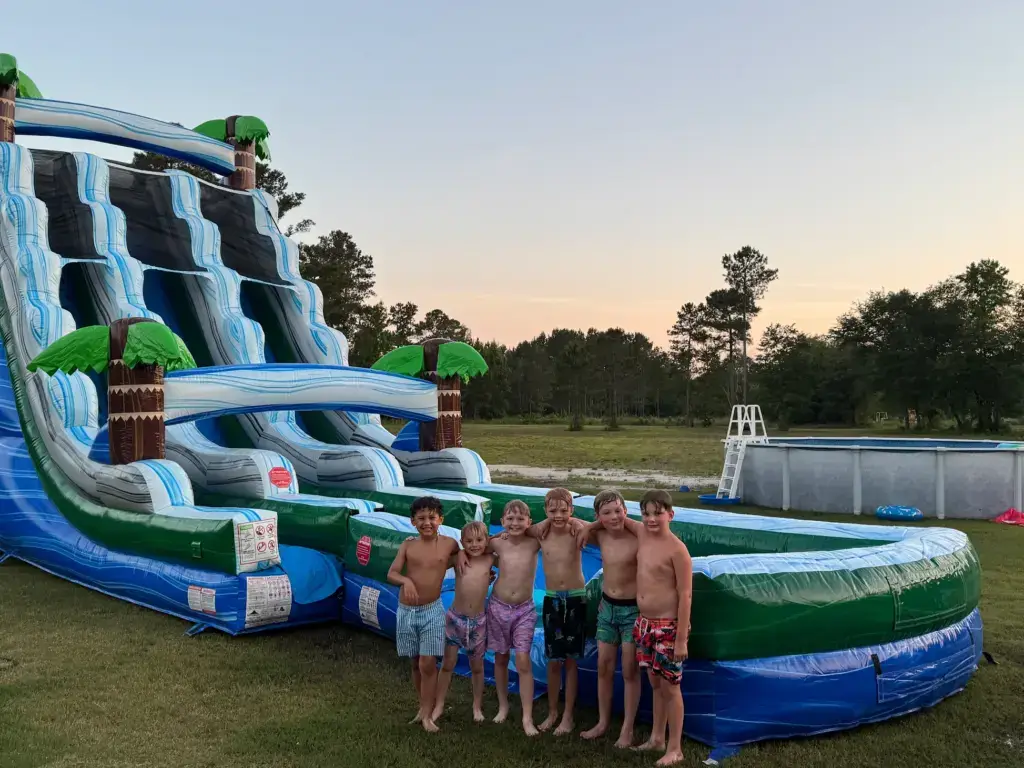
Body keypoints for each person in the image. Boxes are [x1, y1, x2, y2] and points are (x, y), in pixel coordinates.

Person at [585, 489, 692, 766]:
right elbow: (611, 519)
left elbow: (685, 595)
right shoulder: (642, 532)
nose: (651, 518)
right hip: (644, 623)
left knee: (670, 687)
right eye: (646, 513)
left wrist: (681, 638)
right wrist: (590, 526)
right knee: (655, 683)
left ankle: (675, 748)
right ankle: (657, 738)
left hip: (667, 626)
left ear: (671, 514)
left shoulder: (677, 550)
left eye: (658, 513)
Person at [386, 496, 461, 733]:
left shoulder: (450, 544)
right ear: (412, 522)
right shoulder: (408, 545)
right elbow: (392, 573)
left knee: (427, 662)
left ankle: (428, 715)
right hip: (407, 611)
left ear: (441, 519)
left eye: (432, 517)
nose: (427, 522)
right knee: (415, 662)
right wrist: (406, 580)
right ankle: (422, 706)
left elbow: (463, 558)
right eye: (421, 518)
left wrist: (482, 572)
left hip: (432, 610)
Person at [577, 488, 641, 748]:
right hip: (607, 609)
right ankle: (603, 722)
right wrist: (590, 526)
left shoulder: (637, 536)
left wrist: (593, 524)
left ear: (626, 511)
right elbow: (569, 522)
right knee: (603, 666)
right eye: (607, 513)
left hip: (632, 611)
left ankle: (627, 728)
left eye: (618, 511)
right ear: (598, 516)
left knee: (629, 669)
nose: (614, 517)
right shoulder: (600, 535)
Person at [529, 487, 588, 736]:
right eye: (552, 511)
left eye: (564, 510)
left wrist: (577, 521)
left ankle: (568, 716)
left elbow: (600, 527)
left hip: (575, 597)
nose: (558, 515)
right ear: (545, 510)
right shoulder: (541, 532)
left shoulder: (577, 530)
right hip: (553, 599)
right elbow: (519, 530)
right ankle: (553, 711)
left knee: (571, 660)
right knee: (554, 660)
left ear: (571, 510)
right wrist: (542, 523)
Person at [485, 499, 542, 735]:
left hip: (524, 610)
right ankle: (503, 705)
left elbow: (554, 531)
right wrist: (487, 569)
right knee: (500, 657)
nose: (515, 523)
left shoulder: (534, 542)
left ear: (529, 522)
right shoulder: (497, 543)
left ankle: (527, 717)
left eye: (520, 519)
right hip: (498, 606)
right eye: (510, 518)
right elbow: (476, 548)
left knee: (523, 660)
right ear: (502, 521)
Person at [432, 521, 494, 724]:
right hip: (455, 619)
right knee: (447, 664)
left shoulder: (490, 559)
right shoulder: (459, 558)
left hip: (478, 622)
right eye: (469, 541)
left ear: (487, 540)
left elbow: (510, 552)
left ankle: (477, 706)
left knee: (477, 667)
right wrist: (458, 552)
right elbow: (438, 559)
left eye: (479, 540)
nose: (474, 545)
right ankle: (439, 704)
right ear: (462, 542)